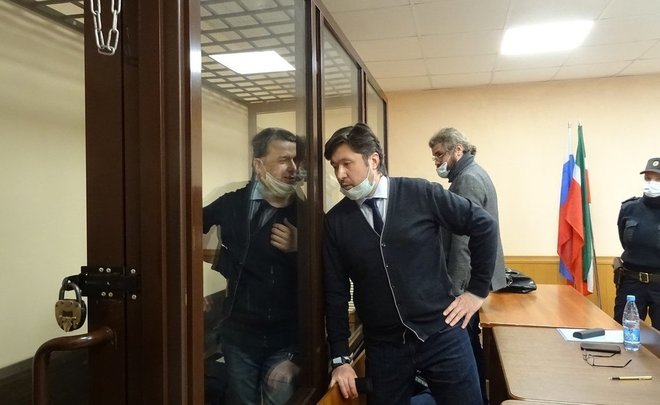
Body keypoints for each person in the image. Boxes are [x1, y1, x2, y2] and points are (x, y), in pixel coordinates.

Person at [323, 123, 499, 405]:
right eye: (335, 166)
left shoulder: (420, 193)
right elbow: (335, 292)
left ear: (373, 160)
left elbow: (484, 226)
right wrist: (340, 358)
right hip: (384, 347)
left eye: (347, 163)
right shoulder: (335, 222)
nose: (340, 174)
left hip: (442, 332)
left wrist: (476, 292)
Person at [203, 127, 302, 404]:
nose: (293, 168)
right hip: (239, 336)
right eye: (283, 160)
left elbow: (325, 275)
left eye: (296, 160)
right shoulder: (231, 203)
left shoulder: (305, 211)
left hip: (286, 338)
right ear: (259, 165)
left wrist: (302, 247)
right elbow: (186, 227)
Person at [428, 127, 507, 404]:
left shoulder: (467, 180)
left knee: (466, 348)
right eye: (434, 157)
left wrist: (458, 291)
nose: (437, 162)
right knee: (471, 344)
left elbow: (463, 240)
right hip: (476, 279)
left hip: (468, 283)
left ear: (458, 150)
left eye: (440, 155)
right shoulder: (475, 173)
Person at [614, 157, 660, 330]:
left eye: (658, 179)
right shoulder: (629, 208)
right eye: (648, 178)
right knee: (624, 333)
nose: (651, 183)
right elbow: (625, 242)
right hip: (631, 282)